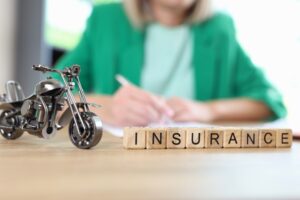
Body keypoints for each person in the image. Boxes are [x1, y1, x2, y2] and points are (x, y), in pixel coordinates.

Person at [55, 0, 286, 126]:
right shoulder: (106, 20)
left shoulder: (220, 29)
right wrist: (105, 106)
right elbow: (52, 94)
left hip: (197, 167)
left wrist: (208, 111)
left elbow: (270, 102)